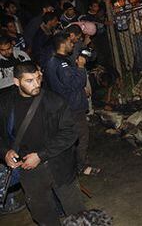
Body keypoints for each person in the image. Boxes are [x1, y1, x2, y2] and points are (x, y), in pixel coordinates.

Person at [0, 61, 85, 225]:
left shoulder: (54, 101)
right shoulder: (5, 104)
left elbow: (70, 133)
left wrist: (40, 155)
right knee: (43, 213)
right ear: (16, 82)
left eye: (38, 78)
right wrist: (5, 152)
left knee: (77, 213)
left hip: (60, 165)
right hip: (29, 171)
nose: (36, 84)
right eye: (29, 81)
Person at [45, 33, 100, 176]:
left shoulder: (55, 61)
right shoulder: (60, 63)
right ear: (63, 44)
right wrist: (81, 67)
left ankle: (74, 166)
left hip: (65, 105)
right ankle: (81, 167)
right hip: (72, 107)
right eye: (70, 42)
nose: (73, 45)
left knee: (72, 138)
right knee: (81, 137)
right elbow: (74, 83)